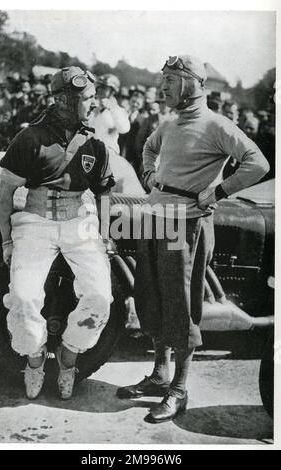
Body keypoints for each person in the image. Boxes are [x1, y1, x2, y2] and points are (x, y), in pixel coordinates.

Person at [117, 55, 269, 423]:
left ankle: (180, 389)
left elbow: (258, 163)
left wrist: (218, 193)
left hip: (187, 223)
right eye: (162, 79)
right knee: (149, 296)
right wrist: (150, 172)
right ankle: (159, 375)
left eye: (169, 79)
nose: (162, 86)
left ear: (190, 82)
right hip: (155, 217)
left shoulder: (217, 125)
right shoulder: (169, 123)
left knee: (180, 305)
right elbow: (148, 149)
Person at [0, 66, 115, 400]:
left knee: (100, 297)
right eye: (87, 98)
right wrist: (7, 240)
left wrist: (104, 237)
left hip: (79, 223)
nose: (94, 104)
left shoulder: (95, 142)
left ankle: (69, 357)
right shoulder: (29, 138)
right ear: (64, 100)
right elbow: (6, 195)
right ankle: (34, 359)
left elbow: (104, 194)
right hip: (34, 224)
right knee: (22, 296)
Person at [90, 73, 130, 156]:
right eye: (99, 86)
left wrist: (113, 109)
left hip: (109, 152)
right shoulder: (91, 105)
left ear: (112, 91)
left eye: (104, 88)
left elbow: (124, 129)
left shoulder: (118, 110)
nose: (100, 89)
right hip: (90, 150)